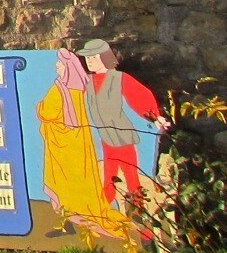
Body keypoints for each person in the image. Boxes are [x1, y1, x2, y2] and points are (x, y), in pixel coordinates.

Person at [35, 48, 130, 240]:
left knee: (63, 183)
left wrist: (40, 108)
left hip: (66, 147)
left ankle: (69, 221)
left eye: (60, 64)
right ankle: (67, 222)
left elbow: (47, 112)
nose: (57, 66)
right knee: (67, 183)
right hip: (72, 143)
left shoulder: (61, 89)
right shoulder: (75, 88)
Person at [79, 38, 168, 206]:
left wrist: (156, 117)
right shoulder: (88, 83)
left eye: (93, 57)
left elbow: (141, 96)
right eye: (87, 58)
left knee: (132, 180)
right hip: (105, 139)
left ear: (104, 57)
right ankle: (107, 218)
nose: (89, 62)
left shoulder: (119, 78)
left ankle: (142, 223)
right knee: (108, 180)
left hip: (124, 138)